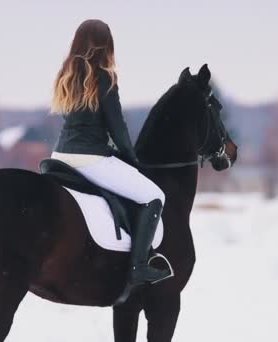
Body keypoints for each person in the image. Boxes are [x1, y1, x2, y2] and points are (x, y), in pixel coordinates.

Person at [50, 19, 170, 301]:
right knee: (154, 196)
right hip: (90, 159)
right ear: (107, 46)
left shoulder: (66, 73)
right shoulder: (104, 76)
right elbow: (117, 128)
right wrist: (133, 160)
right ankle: (139, 266)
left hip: (60, 156)